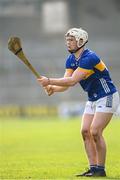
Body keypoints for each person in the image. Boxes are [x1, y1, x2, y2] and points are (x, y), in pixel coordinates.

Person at [37, 28, 120, 177]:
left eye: (71, 40)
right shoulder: (70, 60)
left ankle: (100, 169)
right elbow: (67, 84)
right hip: (93, 98)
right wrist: (53, 89)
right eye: (67, 40)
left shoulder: (90, 57)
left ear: (81, 41)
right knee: (85, 131)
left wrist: (49, 80)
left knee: (95, 131)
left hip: (107, 95)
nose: (68, 43)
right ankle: (93, 168)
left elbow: (73, 80)